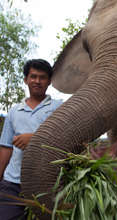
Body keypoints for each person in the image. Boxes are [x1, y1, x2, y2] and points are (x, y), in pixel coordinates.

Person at [0, 59, 63, 219]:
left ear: (49, 81)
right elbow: (6, 147)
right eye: (33, 76)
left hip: (47, 183)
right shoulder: (14, 111)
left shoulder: (59, 107)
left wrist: (35, 139)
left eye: (42, 77)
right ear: (26, 80)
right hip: (13, 182)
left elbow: (68, 140)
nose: (37, 81)